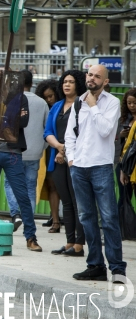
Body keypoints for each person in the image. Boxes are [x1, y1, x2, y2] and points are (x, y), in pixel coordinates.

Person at [66, 64, 126, 282]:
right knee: (87, 218)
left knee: (109, 218)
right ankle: (95, 266)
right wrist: (72, 159)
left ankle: (117, 268)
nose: (91, 79)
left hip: (101, 165)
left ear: (105, 81)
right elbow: (70, 134)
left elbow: (105, 130)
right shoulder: (78, 102)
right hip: (79, 167)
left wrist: (93, 106)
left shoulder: (112, 103)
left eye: (97, 76)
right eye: (90, 75)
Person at [0, 65, 42, 252]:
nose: (3, 78)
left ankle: (30, 236)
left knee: (22, 194)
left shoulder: (20, 98)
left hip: (13, 153)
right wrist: (10, 118)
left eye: (6, 75)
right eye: (0, 75)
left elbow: (22, 123)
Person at [44, 69, 87, 257]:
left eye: (71, 81)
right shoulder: (57, 106)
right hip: (58, 157)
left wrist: (66, 150)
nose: (67, 85)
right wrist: (59, 147)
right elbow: (47, 132)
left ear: (78, 83)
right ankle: (69, 242)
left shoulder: (82, 105)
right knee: (67, 202)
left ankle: (79, 244)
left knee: (79, 203)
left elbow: (84, 133)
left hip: (76, 159)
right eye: (64, 82)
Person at [3, 70, 49, 231]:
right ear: (32, 82)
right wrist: (42, 147)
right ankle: (27, 219)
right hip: (35, 152)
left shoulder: (13, 100)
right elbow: (47, 128)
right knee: (30, 186)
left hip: (15, 151)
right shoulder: (42, 103)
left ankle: (15, 214)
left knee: (10, 183)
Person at [35, 79, 62, 230]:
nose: (48, 99)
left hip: (64, 148)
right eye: (45, 97)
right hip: (49, 149)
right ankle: (55, 220)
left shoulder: (63, 107)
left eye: (51, 96)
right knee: (52, 185)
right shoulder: (44, 108)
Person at [117, 88, 136, 208]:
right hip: (124, 161)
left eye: (135, 102)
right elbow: (114, 140)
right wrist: (121, 135)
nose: (132, 106)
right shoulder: (124, 118)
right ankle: (124, 226)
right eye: (129, 103)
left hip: (134, 162)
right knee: (124, 197)